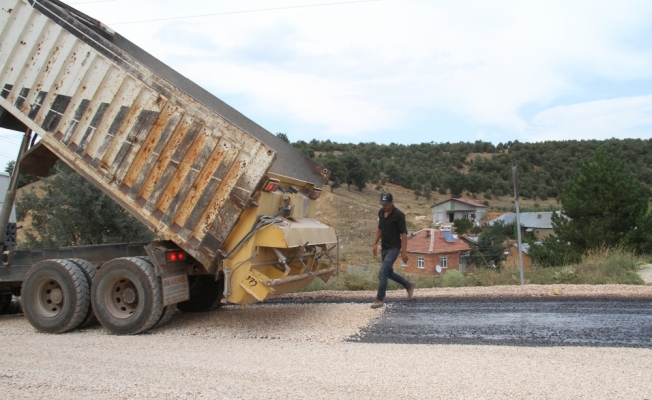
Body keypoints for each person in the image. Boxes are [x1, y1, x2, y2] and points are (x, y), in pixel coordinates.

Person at [370, 192, 415, 308]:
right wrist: (374, 243)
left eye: (386, 204)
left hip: (394, 247)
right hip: (384, 247)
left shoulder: (399, 215)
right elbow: (380, 228)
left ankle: (379, 299)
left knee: (383, 272)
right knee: (388, 272)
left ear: (392, 203)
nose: (384, 206)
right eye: (382, 203)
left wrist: (404, 251)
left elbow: (404, 234)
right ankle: (408, 285)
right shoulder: (381, 212)